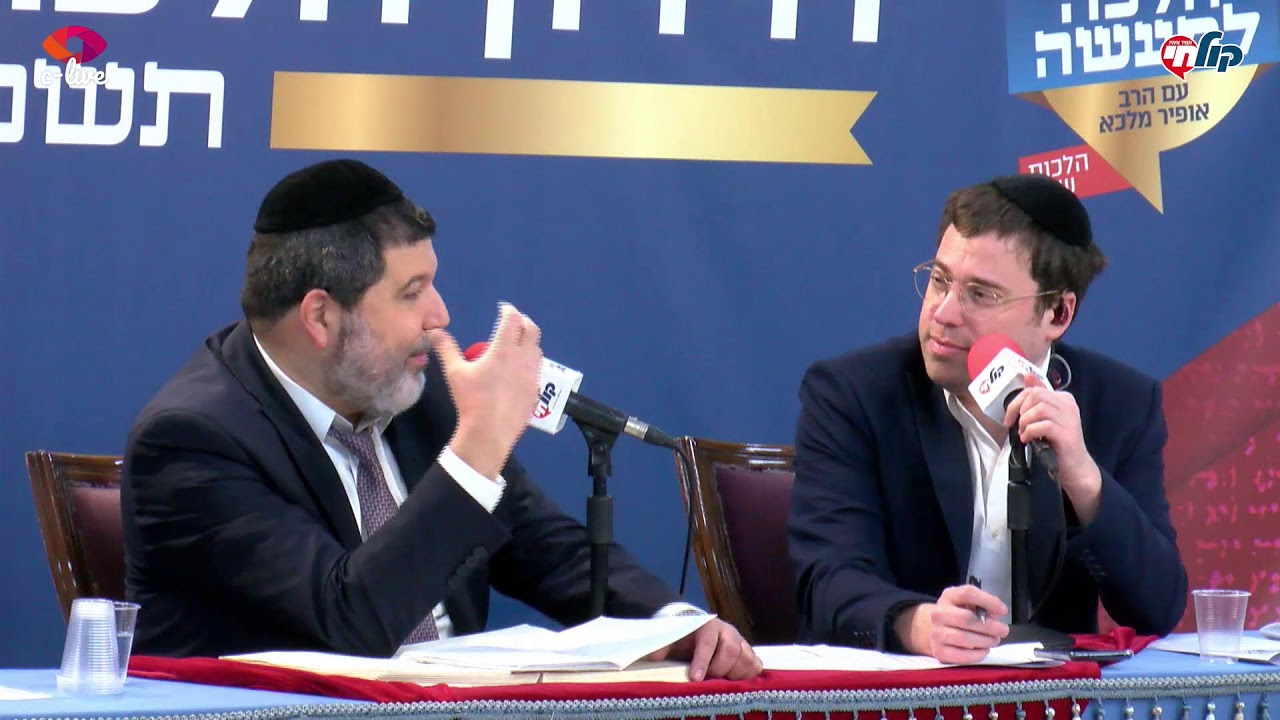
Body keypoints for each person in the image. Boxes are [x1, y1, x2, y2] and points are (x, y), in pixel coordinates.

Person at [121, 158, 762, 681]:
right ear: (320, 317)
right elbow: (350, 624)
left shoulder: (410, 396)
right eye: (411, 292)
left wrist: (671, 621)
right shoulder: (193, 441)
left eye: (433, 283)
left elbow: (546, 547)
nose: (440, 315)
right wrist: (479, 444)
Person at [786, 173, 1188, 663]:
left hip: (1049, 695)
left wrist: (1085, 479)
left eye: (980, 294)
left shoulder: (1119, 404)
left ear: (1057, 314)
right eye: (939, 281)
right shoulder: (855, 394)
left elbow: (1157, 608)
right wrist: (916, 624)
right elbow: (827, 579)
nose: (943, 313)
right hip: (906, 688)